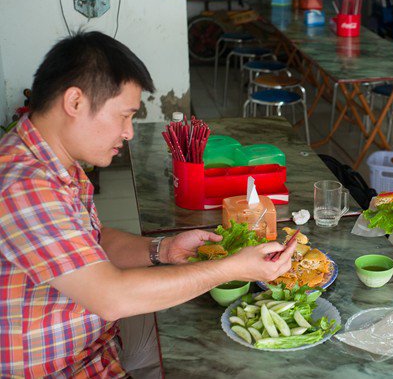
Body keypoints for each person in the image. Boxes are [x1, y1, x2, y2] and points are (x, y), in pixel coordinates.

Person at [0, 31, 296, 378]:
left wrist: (164, 249)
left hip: (97, 339)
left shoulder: (55, 162)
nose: (128, 133)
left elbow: (93, 241)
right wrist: (232, 268)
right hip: (60, 366)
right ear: (75, 102)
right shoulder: (25, 186)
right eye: (124, 115)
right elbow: (112, 297)